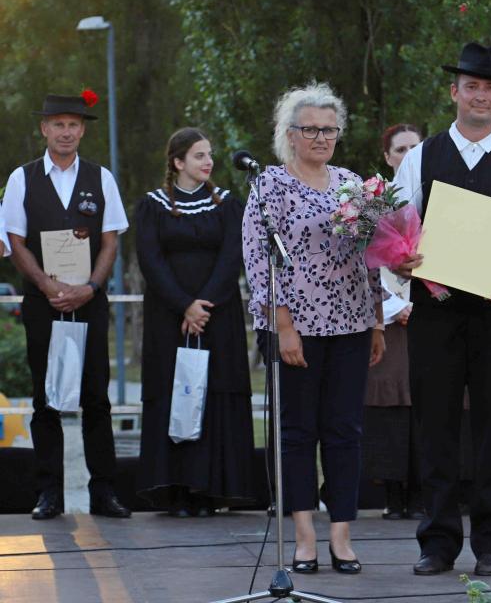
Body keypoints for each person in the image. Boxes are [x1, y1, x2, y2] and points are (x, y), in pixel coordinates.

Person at [392, 42, 491, 577]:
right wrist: (402, 259)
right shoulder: (420, 157)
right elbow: (397, 229)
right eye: (472, 87)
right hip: (435, 310)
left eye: (490, 88)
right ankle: (437, 542)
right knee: (434, 424)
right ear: (454, 92)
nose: (480, 96)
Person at [241, 81, 384, 575]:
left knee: (345, 431)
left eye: (330, 129)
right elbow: (258, 261)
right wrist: (282, 325)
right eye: (311, 129)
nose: (322, 138)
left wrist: (377, 320)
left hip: (352, 323)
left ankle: (341, 536)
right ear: (290, 134)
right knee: (298, 433)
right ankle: (304, 538)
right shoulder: (269, 186)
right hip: (294, 327)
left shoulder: (352, 183)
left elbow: (371, 255)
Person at [0, 93, 130, 519]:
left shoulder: (101, 177)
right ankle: (49, 493)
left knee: (96, 397)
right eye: (58, 124)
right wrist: (47, 285)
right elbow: (14, 241)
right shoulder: (22, 178)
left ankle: (104, 492)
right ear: (44, 129)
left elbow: (110, 241)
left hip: (89, 302)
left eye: (73, 124)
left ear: (83, 130)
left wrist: (90, 286)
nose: (66, 132)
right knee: (46, 399)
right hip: (42, 303)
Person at [135, 127, 255, 516]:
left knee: (214, 394)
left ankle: (211, 491)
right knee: (175, 393)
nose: (209, 162)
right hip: (168, 318)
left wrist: (203, 306)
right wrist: (185, 305)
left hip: (217, 316)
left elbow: (232, 257)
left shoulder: (228, 204)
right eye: (199, 155)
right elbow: (150, 260)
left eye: (210, 155)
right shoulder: (152, 206)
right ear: (178, 162)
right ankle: (177, 491)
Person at [362, 123, 422, 520]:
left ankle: (422, 493)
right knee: (388, 404)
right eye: (400, 149)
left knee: (425, 403)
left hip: (428, 311)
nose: (408, 155)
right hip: (386, 318)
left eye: (415, 148)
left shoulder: (434, 194)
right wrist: (393, 304)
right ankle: (393, 495)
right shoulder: (371, 202)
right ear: (387, 157)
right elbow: (364, 259)